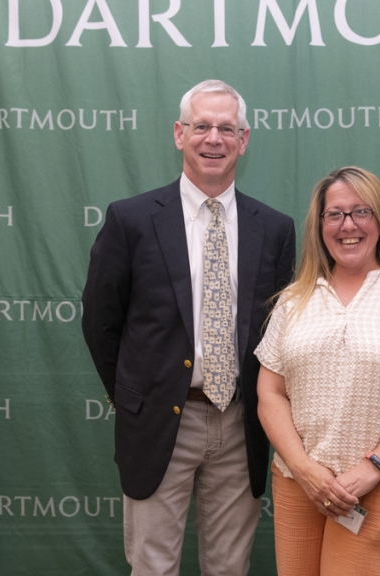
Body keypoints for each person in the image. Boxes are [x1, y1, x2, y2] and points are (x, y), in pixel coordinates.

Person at [81, 79, 296, 576]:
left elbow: (278, 330)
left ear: (244, 139)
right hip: (157, 421)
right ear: (180, 134)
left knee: (229, 566)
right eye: (202, 126)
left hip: (242, 421)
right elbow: (100, 320)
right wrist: (135, 392)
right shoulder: (131, 220)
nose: (213, 138)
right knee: (153, 565)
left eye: (227, 128)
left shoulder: (275, 228)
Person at [255, 166, 380, 576]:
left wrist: (373, 468)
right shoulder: (292, 300)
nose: (348, 225)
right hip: (301, 484)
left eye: (361, 212)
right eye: (335, 214)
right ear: (320, 225)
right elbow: (270, 393)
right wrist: (304, 469)